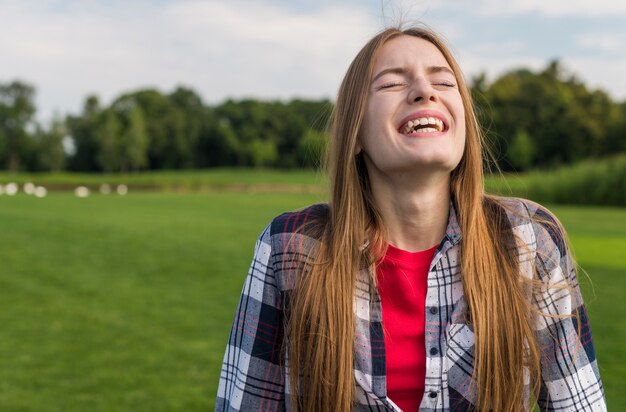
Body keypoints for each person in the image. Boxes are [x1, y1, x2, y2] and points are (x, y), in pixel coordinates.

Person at [215, 26, 606, 411]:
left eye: (444, 81)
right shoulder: (290, 247)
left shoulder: (528, 238)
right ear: (355, 134)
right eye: (390, 84)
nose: (425, 91)